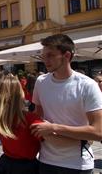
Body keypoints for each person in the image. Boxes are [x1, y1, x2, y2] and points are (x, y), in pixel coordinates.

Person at [31, 34, 102, 174]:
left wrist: (53, 128)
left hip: (77, 165)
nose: (45, 60)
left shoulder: (87, 85)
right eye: (43, 56)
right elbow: (37, 118)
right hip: (45, 161)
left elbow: (98, 132)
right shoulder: (41, 82)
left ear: (67, 56)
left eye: (50, 55)